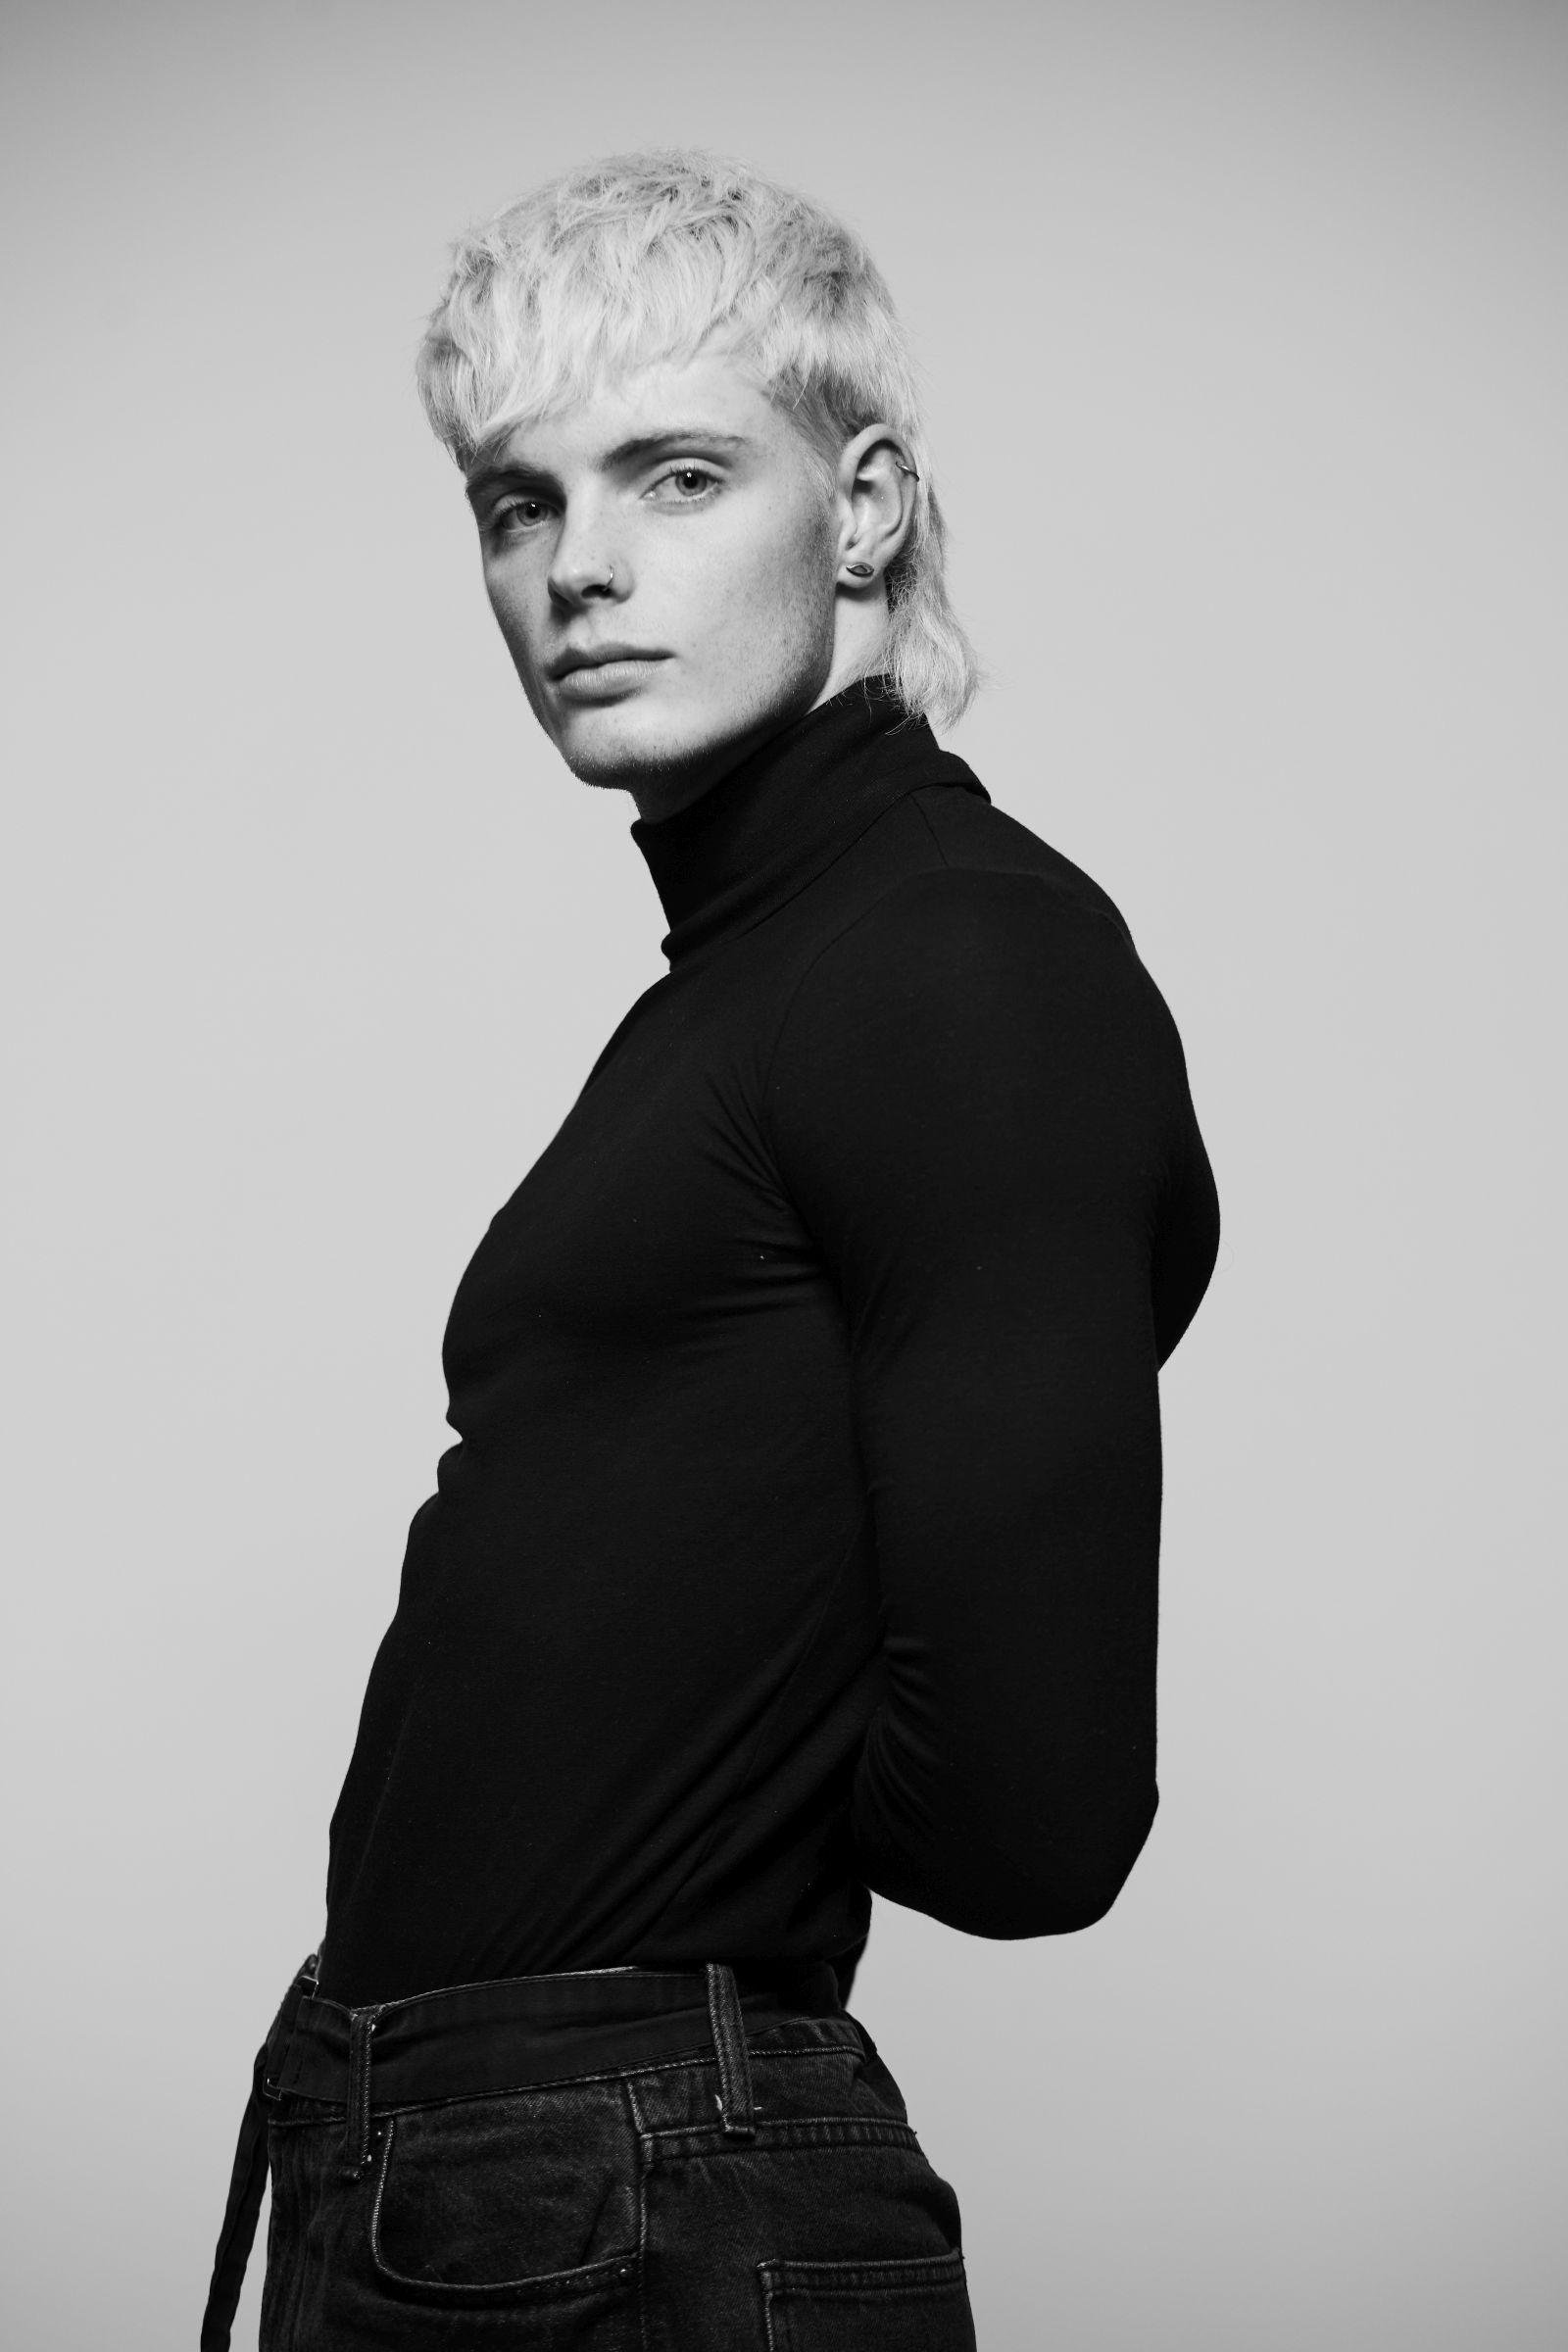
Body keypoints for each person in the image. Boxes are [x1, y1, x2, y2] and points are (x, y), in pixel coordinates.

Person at [202, 149, 1219, 2351]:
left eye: (673, 476)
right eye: (513, 501)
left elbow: (1032, 1822)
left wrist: (659, 1909)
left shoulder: (954, 965)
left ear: (857, 510)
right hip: (473, 2166)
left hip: (618, 2192)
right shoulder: (750, 984)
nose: (579, 571)